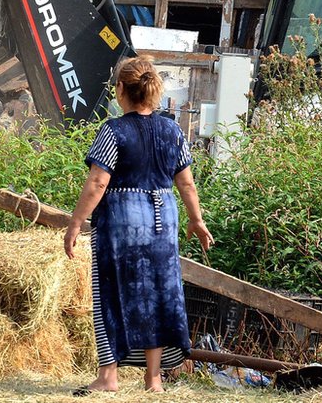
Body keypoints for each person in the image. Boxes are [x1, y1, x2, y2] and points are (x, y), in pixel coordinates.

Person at [63, 56, 214, 395]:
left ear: (120, 90)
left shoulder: (113, 130)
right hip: (164, 219)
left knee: (113, 293)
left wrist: (75, 222)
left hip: (123, 221)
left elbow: (98, 183)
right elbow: (187, 184)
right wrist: (197, 220)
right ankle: (154, 380)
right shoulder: (172, 129)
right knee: (157, 296)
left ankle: (108, 377)